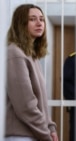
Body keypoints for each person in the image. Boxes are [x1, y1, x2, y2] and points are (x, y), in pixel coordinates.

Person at [5, 4, 58, 141]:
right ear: (21, 24)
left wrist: (51, 127)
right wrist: (46, 134)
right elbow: (26, 105)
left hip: (33, 133)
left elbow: (41, 102)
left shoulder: (31, 55)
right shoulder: (15, 53)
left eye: (42, 19)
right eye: (32, 19)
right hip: (19, 135)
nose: (39, 23)